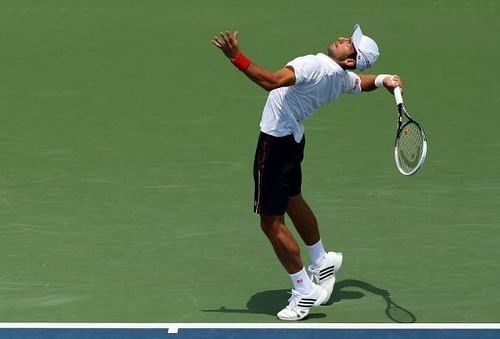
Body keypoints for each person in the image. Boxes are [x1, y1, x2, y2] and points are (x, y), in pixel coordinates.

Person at [211, 24, 404, 321]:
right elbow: (360, 83)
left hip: (274, 143)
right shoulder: (338, 78)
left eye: (349, 43)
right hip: (293, 140)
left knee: (271, 223)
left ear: (349, 59)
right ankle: (321, 259)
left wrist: (237, 57)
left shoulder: (313, 65)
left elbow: (272, 81)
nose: (343, 38)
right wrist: (383, 79)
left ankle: (303, 291)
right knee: (292, 198)